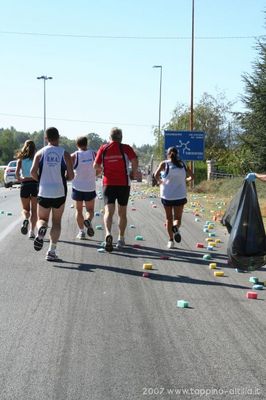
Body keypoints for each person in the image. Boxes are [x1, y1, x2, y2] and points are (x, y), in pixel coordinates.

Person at [30, 127, 74, 261]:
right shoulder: (65, 154)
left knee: (42, 219)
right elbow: (71, 175)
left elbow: (32, 172)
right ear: (58, 137)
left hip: (44, 191)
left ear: (46, 138)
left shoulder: (40, 153)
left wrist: (41, 180)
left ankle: (41, 231)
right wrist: (65, 179)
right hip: (59, 192)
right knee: (56, 222)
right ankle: (51, 251)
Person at [93, 127, 138, 252]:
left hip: (108, 184)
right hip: (123, 184)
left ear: (110, 137)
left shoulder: (103, 148)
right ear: (121, 137)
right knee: (122, 213)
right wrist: (133, 173)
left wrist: (102, 171)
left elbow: (95, 165)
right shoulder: (126, 148)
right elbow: (134, 160)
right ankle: (121, 239)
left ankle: (108, 233)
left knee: (108, 211)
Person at [154, 146, 194, 249]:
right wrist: (185, 180)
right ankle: (175, 227)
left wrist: (160, 182)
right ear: (178, 154)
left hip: (167, 195)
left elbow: (155, 175)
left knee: (168, 218)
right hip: (180, 195)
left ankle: (171, 241)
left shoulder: (164, 164)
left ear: (168, 154)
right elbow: (192, 177)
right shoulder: (183, 164)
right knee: (177, 218)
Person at [71, 136, 97, 239]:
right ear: (87, 143)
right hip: (90, 187)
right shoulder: (94, 154)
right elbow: (100, 168)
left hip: (77, 187)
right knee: (90, 210)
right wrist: (96, 174)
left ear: (77, 144)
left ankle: (81, 232)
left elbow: (67, 168)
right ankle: (88, 221)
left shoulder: (74, 155)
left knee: (78, 210)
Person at [15, 140, 38, 238]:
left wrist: (22, 179)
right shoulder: (37, 158)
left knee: (25, 209)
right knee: (34, 210)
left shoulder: (20, 159)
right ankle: (32, 232)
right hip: (35, 184)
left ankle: (25, 219)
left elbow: (17, 174)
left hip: (25, 185)